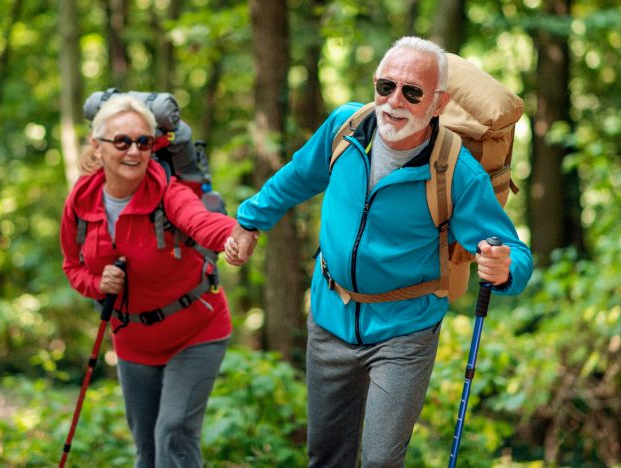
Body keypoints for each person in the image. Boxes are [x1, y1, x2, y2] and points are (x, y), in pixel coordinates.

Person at [225, 36, 533, 467]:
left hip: (404, 331)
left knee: (380, 461)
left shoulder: (455, 171)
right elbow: (297, 175)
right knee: (326, 455)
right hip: (330, 315)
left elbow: (516, 254)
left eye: (412, 92)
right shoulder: (345, 129)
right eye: (385, 86)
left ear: (438, 103)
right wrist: (250, 220)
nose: (394, 101)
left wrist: (504, 268)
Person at [60, 94, 245, 467]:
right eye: (122, 142)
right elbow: (72, 267)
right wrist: (98, 285)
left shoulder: (167, 192)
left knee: (173, 432)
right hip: (133, 340)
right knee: (146, 449)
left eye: (143, 142)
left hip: (197, 328)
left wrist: (235, 234)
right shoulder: (81, 202)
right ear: (97, 145)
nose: (133, 151)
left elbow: (199, 221)